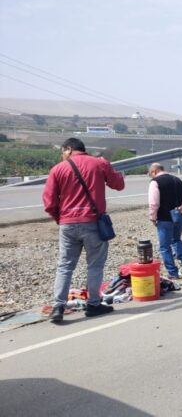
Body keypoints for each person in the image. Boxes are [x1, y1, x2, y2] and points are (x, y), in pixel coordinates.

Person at [43, 138, 125, 322]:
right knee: (95, 265)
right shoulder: (99, 163)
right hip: (94, 223)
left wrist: (61, 219)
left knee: (65, 266)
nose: (62, 155)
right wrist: (109, 168)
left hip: (68, 224)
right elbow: (119, 185)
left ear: (69, 149)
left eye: (62, 151)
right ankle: (94, 304)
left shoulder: (58, 169)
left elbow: (49, 202)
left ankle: (58, 307)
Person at [148, 163, 182, 279]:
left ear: (154, 171)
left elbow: (154, 203)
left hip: (164, 218)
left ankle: (173, 273)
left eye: (151, 174)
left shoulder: (155, 182)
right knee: (176, 239)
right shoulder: (178, 180)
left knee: (164, 247)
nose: (151, 177)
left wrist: (153, 217)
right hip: (180, 216)